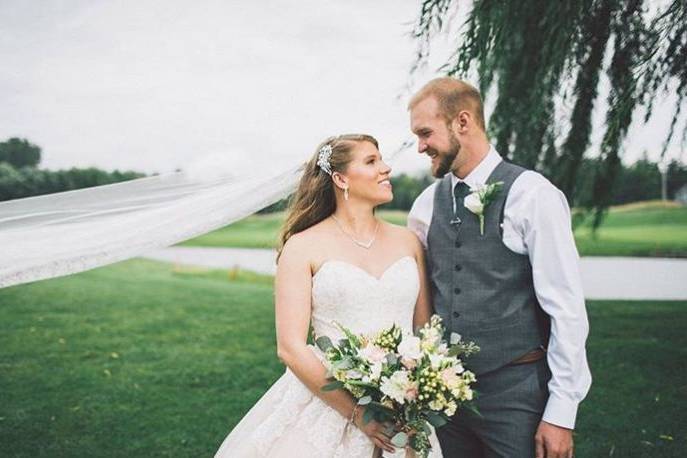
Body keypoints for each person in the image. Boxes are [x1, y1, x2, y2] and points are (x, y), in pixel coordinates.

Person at [214, 134, 443, 457]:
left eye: (382, 159)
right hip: (329, 400)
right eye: (371, 161)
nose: (386, 168)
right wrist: (359, 414)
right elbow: (290, 348)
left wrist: (418, 392)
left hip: (404, 408)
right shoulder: (302, 247)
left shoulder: (408, 242)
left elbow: (425, 330)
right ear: (340, 178)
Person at [407, 77, 592, 458]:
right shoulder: (425, 206)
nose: (420, 146)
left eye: (425, 133)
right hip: (446, 399)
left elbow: (567, 308)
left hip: (517, 393)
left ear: (462, 122)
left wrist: (561, 413)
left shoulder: (533, 195)